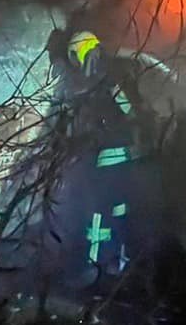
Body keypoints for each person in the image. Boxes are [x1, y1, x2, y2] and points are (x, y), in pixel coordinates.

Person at [58, 29, 151, 284]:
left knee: (97, 211)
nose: (76, 64)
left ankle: (94, 266)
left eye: (74, 56)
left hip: (109, 156)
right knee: (119, 209)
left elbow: (126, 110)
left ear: (81, 50)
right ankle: (118, 263)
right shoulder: (115, 71)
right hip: (125, 156)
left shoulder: (103, 75)